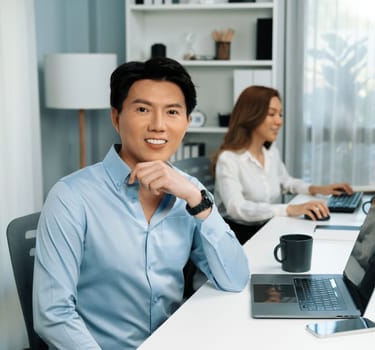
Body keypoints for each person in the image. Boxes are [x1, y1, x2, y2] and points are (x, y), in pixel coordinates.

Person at [33, 57, 249, 349]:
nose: (158, 125)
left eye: (172, 111)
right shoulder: (72, 198)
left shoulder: (189, 192)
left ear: (186, 122)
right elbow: (53, 315)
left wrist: (197, 200)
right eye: (143, 109)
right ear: (116, 117)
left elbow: (234, 278)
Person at [212, 85, 353, 244]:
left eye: (280, 114)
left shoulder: (270, 152)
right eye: (271, 114)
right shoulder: (229, 159)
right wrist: (289, 209)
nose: (279, 121)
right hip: (240, 237)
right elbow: (236, 208)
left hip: (268, 226)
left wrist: (319, 189)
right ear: (251, 115)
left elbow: (286, 182)